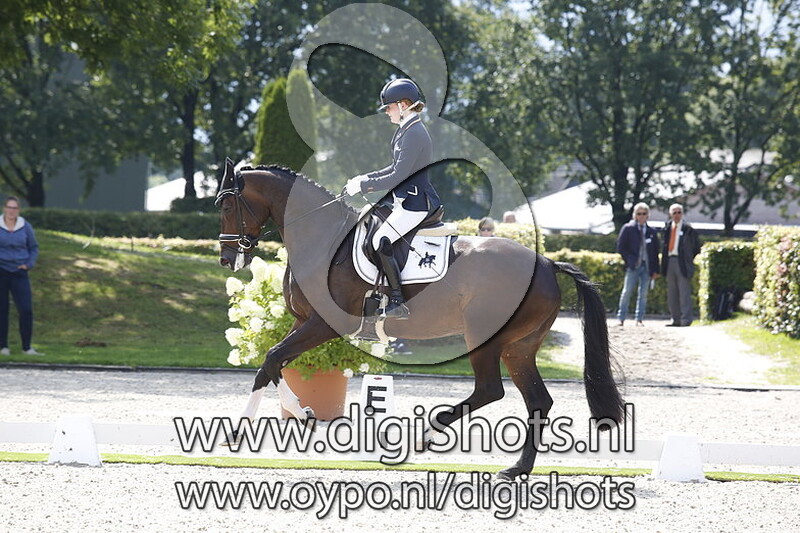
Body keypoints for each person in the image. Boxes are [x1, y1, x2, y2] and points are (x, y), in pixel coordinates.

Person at [345, 78, 441, 319]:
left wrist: (364, 186)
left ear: (403, 105)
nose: (387, 112)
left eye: (389, 107)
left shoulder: (414, 133)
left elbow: (399, 175)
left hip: (415, 203)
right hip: (403, 201)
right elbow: (394, 167)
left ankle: (398, 300)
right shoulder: (405, 131)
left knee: (380, 240)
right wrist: (365, 178)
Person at [0, 196, 42, 355]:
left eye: (15, 208)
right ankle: (3, 347)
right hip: (1, 271)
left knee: (26, 309)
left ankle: (27, 347)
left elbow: (34, 247)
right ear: (4, 208)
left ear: (18, 210)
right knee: (2, 310)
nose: (11, 211)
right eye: (9, 207)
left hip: (19, 272)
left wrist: (29, 264)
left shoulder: (25, 226)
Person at [615, 202, 660, 326]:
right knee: (627, 292)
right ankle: (621, 318)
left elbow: (655, 251)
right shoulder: (628, 228)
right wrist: (629, 260)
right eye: (639, 213)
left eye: (644, 213)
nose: (641, 216)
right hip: (633, 266)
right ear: (635, 215)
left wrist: (656, 270)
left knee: (643, 294)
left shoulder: (651, 231)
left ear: (647, 215)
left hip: (647, 267)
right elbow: (620, 247)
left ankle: (639, 319)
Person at [661, 203, 702, 327]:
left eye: (679, 212)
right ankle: (675, 319)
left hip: (682, 263)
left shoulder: (688, 229)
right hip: (670, 261)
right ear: (670, 214)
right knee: (672, 293)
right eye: (674, 213)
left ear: (682, 214)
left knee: (684, 293)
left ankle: (686, 319)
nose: (677, 215)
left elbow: (696, 247)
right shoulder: (667, 228)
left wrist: (688, 258)